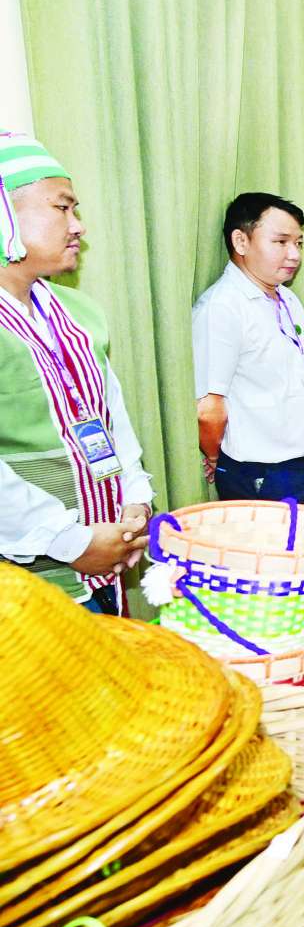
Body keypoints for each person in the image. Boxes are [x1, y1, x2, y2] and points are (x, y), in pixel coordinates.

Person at [0, 131, 152, 613]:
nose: (78, 226)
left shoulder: (78, 312)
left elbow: (112, 418)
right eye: (61, 208)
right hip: (28, 586)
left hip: (105, 560)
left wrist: (135, 500)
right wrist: (70, 542)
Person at [193, 193, 304, 506]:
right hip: (262, 470)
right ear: (241, 241)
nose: (294, 254)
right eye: (281, 242)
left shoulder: (287, 298)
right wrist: (215, 457)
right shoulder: (222, 306)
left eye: (298, 243)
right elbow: (209, 407)